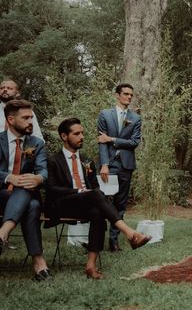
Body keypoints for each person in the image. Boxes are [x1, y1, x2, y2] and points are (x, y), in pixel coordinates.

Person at [45, 118, 151, 279]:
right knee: (95, 195)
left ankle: (90, 266)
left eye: (82, 133)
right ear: (64, 136)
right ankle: (130, 233)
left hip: (84, 203)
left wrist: (87, 193)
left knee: (97, 212)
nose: (82, 137)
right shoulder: (53, 160)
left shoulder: (86, 160)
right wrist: (79, 191)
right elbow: (52, 189)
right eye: (77, 133)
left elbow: (95, 187)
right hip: (61, 204)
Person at [0, 100, 51, 280]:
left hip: (24, 193)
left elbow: (43, 170)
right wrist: (8, 177)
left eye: (32, 117)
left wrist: (39, 178)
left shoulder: (36, 143)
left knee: (31, 200)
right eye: (26, 118)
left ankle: (3, 232)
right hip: (1, 195)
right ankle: (38, 261)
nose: (31, 121)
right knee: (32, 202)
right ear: (11, 119)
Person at [97, 83, 141, 252]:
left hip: (126, 165)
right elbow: (101, 142)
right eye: (126, 94)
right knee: (102, 202)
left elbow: (134, 142)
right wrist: (104, 164)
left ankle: (113, 242)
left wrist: (112, 139)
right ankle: (97, 239)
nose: (129, 97)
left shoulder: (136, 118)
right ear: (117, 95)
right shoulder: (105, 115)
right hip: (109, 165)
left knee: (120, 203)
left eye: (131, 95)